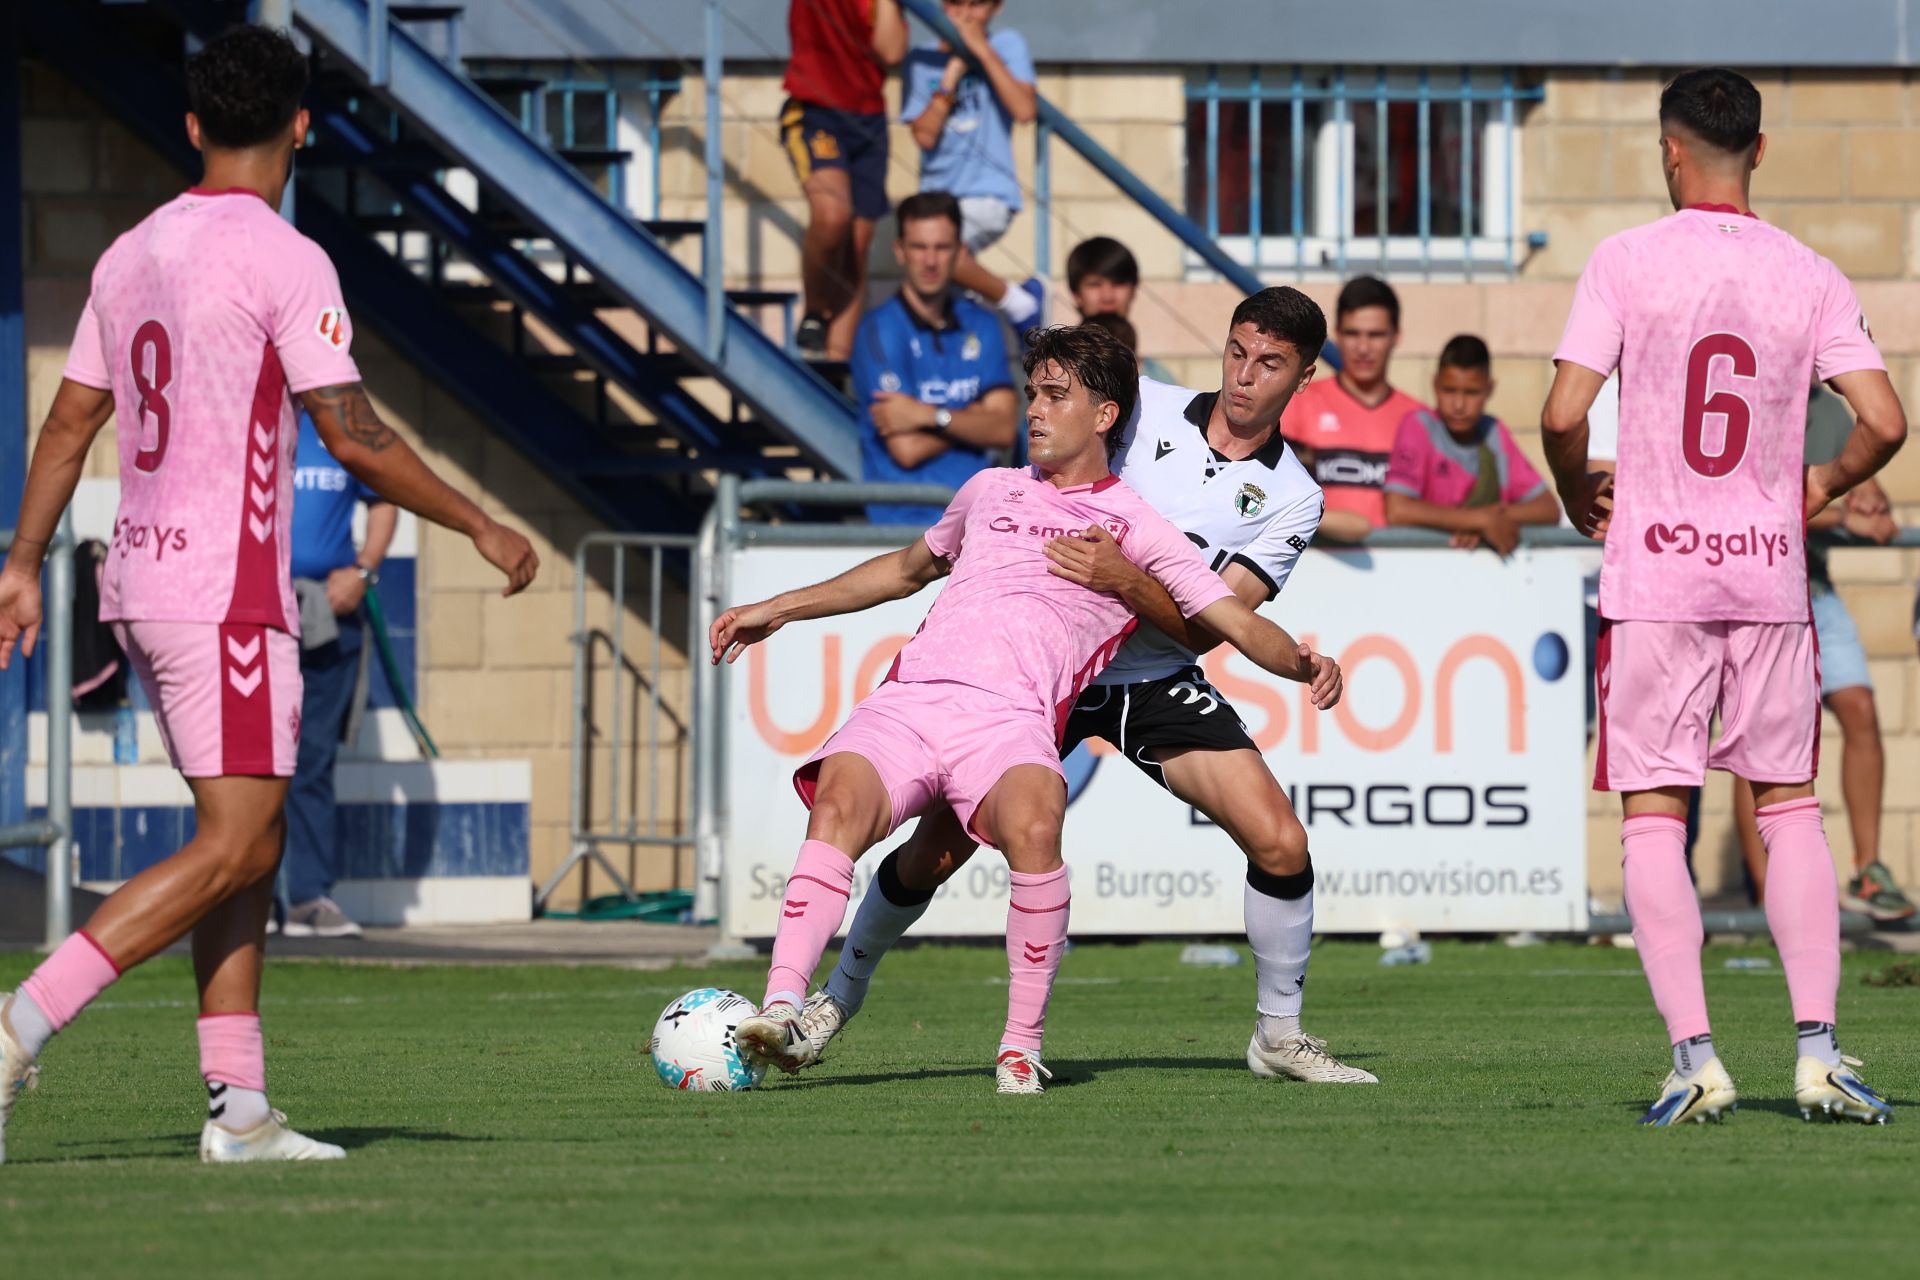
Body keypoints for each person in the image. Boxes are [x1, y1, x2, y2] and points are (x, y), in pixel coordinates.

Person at [0, 25, 538, 1166]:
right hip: (228, 589)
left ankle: (239, 1108)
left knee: (236, 842)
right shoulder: (284, 256)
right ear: (302, 124)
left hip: (140, 579)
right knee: (244, 842)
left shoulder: (131, 250)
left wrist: (21, 558)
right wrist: (479, 517)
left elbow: (67, 420)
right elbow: (354, 434)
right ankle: (16, 1026)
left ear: (192, 127)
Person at [710, 324, 1343, 1094]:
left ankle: (1278, 1033)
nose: (1244, 375)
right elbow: (915, 565)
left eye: (1269, 362)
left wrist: (1143, 587)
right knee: (932, 855)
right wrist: (781, 607)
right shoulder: (1143, 412)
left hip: (1147, 672)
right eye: (1236, 351)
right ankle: (829, 1002)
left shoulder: (1291, 497)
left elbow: (1214, 625)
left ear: (1303, 376)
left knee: (1279, 839)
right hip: (1025, 687)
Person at [1542, 67, 1906, 1127]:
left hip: (1657, 571)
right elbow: (1883, 416)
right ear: (1759, 152)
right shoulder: (1811, 273)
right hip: (1765, 570)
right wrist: (1822, 485)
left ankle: (1697, 1059)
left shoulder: (1625, 261)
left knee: (1654, 809)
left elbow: (1565, 411)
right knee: (1788, 803)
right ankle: (1819, 1054)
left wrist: (1576, 493)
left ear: (1670, 152)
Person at [1731, 385, 1913, 921]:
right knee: (1756, 742)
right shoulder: (1747, 393)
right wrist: (1847, 519)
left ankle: (1869, 870)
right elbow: (1748, 500)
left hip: (1815, 591)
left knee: (1860, 708)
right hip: (1754, 592)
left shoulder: (1827, 406)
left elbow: (1864, 484)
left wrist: (1871, 502)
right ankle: (1770, 900)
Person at [282, 408, 398, 939]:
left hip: (327, 612)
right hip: (254, 612)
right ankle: (242, 896)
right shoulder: (247, 416)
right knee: (245, 764)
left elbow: (384, 498)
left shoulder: (342, 425)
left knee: (313, 757)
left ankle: (308, 897)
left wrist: (364, 571)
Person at [854, 192, 1020, 525]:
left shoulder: (983, 323)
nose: (930, 261)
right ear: (900, 251)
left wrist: (929, 416)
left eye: (942, 248)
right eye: (919, 247)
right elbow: (907, 448)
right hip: (905, 526)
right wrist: (975, 418)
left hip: (981, 522)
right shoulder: (878, 331)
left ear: (960, 252)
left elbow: (1003, 428)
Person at [901, 0, 1044, 332]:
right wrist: (951, 73)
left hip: (988, 193)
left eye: (976, 4)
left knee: (937, 253)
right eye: (954, 3)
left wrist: (980, 51)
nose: (964, 14)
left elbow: (1024, 110)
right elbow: (924, 135)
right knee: (933, 279)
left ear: (996, 7)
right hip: (936, 197)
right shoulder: (921, 59)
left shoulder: (1007, 44)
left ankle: (1018, 303)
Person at [781, 0, 907, 359]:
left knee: (857, 240)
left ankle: (838, 361)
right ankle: (814, 313)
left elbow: (892, 50)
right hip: (814, 108)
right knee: (833, 214)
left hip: (868, 120)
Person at [1384, 335, 1559, 555]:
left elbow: (1548, 509)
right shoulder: (1419, 426)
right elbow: (1398, 511)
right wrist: (1476, 520)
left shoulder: (1493, 432)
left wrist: (1487, 520)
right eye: (1449, 390)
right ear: (1435, 384)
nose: (1459, 405)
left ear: (1490, 388)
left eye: (1471, 393)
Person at [1280, 277, 1425, 542]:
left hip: (1403, 566)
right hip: (1316, 565)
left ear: (1396, 336)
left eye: (1375, 335)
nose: (1363, 348)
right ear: (1336, 334)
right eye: (1352, 333)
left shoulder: (1421, 419)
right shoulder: (1296, 404)